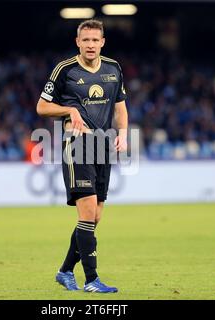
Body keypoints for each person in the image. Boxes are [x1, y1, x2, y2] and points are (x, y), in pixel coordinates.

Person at [36, 19, 128, 293]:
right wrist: (69, 111)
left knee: (95, 217)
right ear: (78, 42)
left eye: (94, 40)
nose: (90, 45)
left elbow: (120, 107)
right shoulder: (65, 70)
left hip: (103, 146)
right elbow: (42, 106)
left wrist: (122, 133)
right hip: (77, 144)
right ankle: (91, 280)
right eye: (85, 40)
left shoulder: (113, 69)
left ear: (102, 42)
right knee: (87, 213)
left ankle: (65, 271)